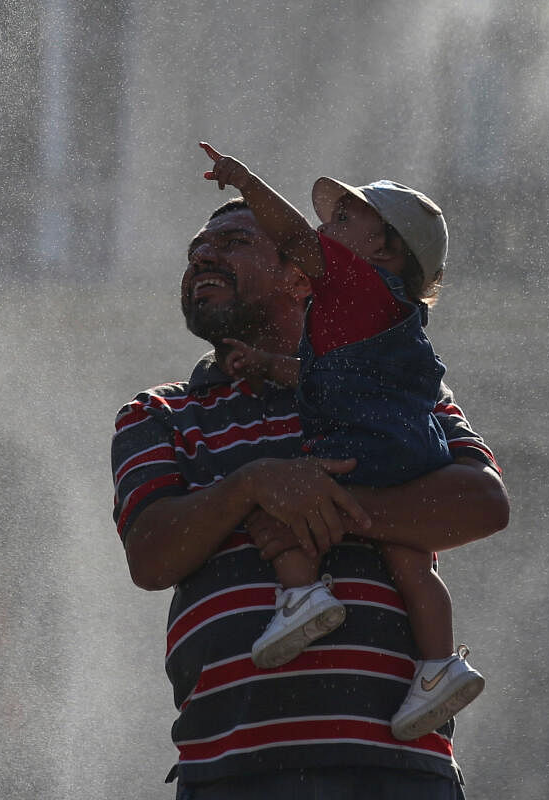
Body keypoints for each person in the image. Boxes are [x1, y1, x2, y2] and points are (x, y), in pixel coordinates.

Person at [112, 196, 508, 798]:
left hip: (394, 768)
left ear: (303, 275)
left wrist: (338, 511)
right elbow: (152, 555)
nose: (204, 257)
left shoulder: (390, 390)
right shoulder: (161, 413)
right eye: (197, 250)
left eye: (235, 243)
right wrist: (257, 483)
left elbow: (483, 503)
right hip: (232, 768)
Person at [196, 143, 484, 741]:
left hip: (365, 446)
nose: (327, 228)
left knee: (287, 502)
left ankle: (302, 594)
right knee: (412, 560)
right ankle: (438, 668)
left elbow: (296, 237)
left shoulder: (354, 285)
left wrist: (248, 182)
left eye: (344, 221)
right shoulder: (390, 317)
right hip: (413, 447)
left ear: (382, 248)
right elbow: (331, 378)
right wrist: (274, 364)